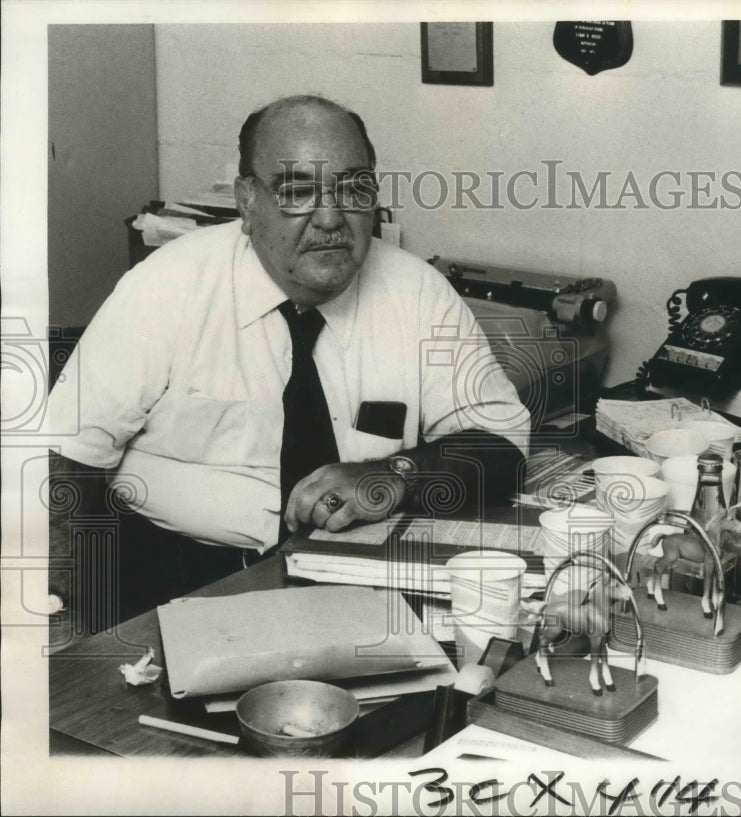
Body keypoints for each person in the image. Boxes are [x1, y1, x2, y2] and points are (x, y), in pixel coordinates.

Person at [47, 94, 531, 630]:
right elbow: (63, 461)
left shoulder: (418, 293)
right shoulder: (165, 287)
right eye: (299, 191)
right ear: (248, 202)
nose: (331, 219)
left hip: (362, 579)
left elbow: (501, 444)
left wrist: (394, 475)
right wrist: (70, 619)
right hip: (173, 583)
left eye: (353, 188)